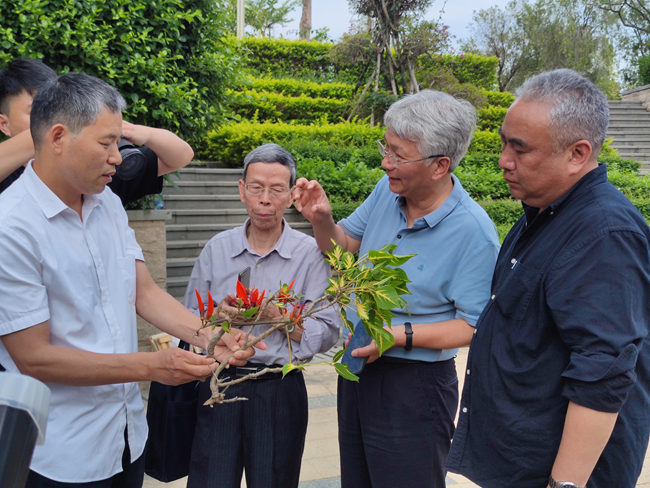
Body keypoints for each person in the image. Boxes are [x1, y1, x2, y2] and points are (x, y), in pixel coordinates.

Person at [0, 72, 262, 488]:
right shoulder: (12, 226)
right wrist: (152, 367)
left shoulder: (106, 204)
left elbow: (143, 291)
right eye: (106, 143)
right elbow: (34, 357)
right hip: (59, 453)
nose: (119, 158)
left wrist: (210, 333)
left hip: (125, 437)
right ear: (57, 137)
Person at [446, 69, 650, 488]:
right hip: (522, 462)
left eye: (520, 149)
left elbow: (602, 373)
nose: (503, 160)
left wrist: (564, 485)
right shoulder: (542, 216)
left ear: (577, 154)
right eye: (504, 142)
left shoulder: (603, 235)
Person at [293, 90, 500, 488]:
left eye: (398, 154)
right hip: (359, 363)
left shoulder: (474, 232)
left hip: (415, 385)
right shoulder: (386, 193)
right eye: (385, 148)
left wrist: (396, 336)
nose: (385, 162)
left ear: (440, 165)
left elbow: (474, 326)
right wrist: (322, 218)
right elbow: (344, 249)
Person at [184, 143, 340, 488]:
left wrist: (276, 315)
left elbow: (327, 331)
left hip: (278, 388)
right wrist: (217, 320)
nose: (264, 199)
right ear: (242, 191)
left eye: (276, 189)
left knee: (274, 481)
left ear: (291, 196)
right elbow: (190, 317)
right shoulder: (217, 249)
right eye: (256, 188)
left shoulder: (310, 255)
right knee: (210, 479)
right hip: (220, 381)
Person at [0, 58, 193, 204]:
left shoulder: (99, 173)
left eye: (57, 106)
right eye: (36, 109)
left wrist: (133, 131)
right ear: (4, 124)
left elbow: (181, 155)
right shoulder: (11, 205)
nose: (114, 158)